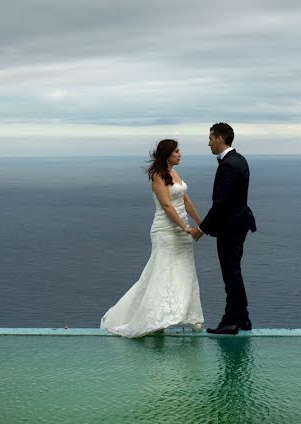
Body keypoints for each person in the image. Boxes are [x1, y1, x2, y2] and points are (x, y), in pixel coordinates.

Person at [101, 139, 204, 337]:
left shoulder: (174, 173)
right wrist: (185, 227)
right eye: (176, 151)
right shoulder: (158, 176)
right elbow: (166, 206)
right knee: (161, 272)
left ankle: (191, 316)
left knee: (185, 271)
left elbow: (185, 199)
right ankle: (156, 319)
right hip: (166, 231)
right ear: (167, 154)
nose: (180, 154)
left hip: (182, 232)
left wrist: (200, 222)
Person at [194, 123, 257, 335]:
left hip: (230, 228)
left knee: (231, 274)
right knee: (234, 272)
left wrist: (201, 229)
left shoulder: (229, 164)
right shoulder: (240, 160)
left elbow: (221, 203)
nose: (208, 142)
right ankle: (243, 318)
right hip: (239, 225)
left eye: (210, 138)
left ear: (220, 138)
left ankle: (231, 321)